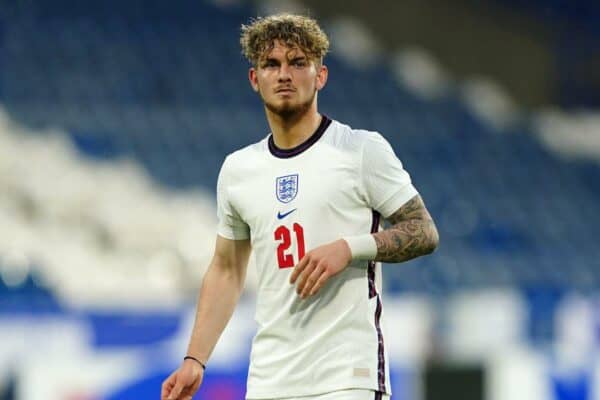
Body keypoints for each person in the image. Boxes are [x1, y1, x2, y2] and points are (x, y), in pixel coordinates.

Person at [161, 13, 439, 400]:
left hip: (347, 377)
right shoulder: (239, 170)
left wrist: (349, 248)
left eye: (298, 62)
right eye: (271, 64)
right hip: (270, 381)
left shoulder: (361, 150)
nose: (284, 74)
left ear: (320, 75)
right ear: (255, 80)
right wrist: (195, 358)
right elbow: (227, 269)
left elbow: (424, 231)